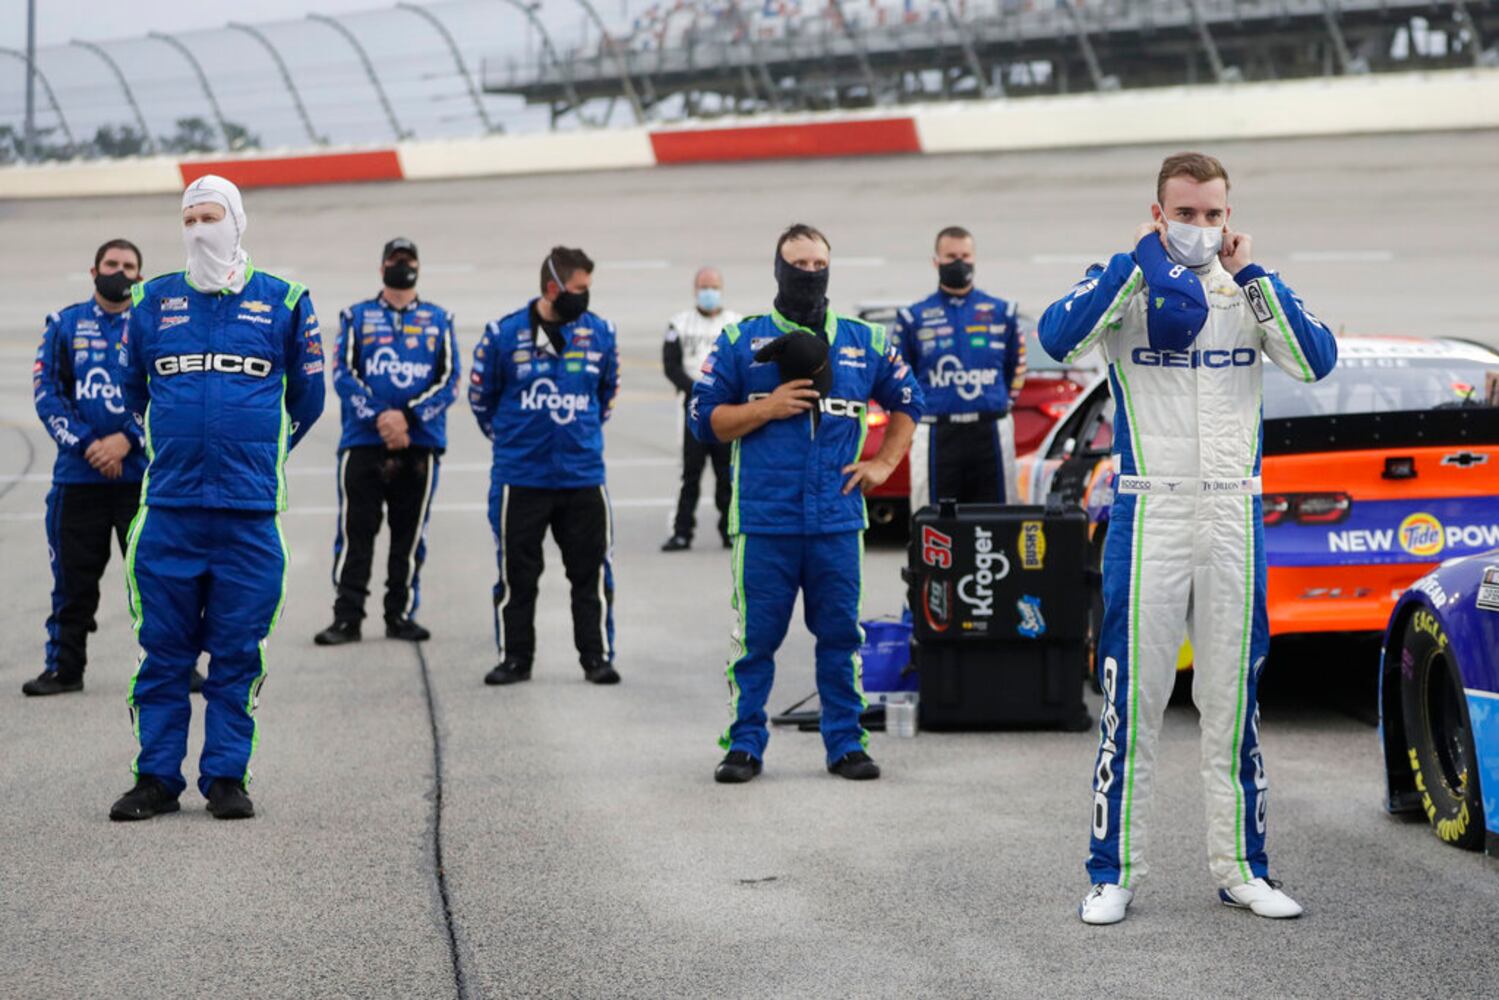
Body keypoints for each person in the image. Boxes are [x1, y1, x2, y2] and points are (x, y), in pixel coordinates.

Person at [1037, 152, 1337, 924]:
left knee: (1231, 704)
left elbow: (1315, 362)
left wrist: (1255, 280)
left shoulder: (1248, 291)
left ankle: (1242, 868)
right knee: (1131, 703)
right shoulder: (1124, 283)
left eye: (1211, 214)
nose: (1198, 228)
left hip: (1234, 514)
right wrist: (1132, 268)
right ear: (1157, 211)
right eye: (1184, 213)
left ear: (1227, 217)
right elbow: (1058, 341)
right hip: (1150, 514)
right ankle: (1111, 873)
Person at [111, 174, 325, 822]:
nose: (200, 228)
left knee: (238, 655)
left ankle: (226, 776)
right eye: (190, 218)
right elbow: (129, 391)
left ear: (237, 221)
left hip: (251, 515)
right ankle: (155, 778)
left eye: (212, 216)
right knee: (163, 655)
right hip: (169, 512)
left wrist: (259, 452)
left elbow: (309, 401)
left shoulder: (285, 299)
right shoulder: (150, 301)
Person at [690, 223, 923, 784]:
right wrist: (765, 409)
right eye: (799, 265)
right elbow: (703, 421)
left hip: (837, 520)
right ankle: (743, 745)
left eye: (820, 266)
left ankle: (845, 744)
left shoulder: (864, 340)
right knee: (755, 644)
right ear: (778, 269)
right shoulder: (740, 341)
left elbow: (910, 401)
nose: (810, 275)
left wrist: (884, 464)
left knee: (842, 638)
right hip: (764, 522)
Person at [470, 246, 622, 687]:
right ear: (553, 287)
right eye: (579, 289)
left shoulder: (601, 333)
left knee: (590, 574)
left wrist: (579, 435)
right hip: (521, 479)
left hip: (583, 477)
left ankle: (595, 657)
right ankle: (516, 658)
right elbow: (481, 399)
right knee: (517, 575)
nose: (585, 297)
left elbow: (606, 394)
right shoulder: (503, 333)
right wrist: (515, 442)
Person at [314, 237, 459, 646]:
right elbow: (342, 374)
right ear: (382, 268)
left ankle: (400, 614)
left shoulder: (439, 319)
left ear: (418, 266)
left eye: (409, 259)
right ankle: (347, 618)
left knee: (409, 535)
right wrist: (381, 416)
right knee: (355, 533)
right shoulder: (356, 316)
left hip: (420, 442)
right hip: (363, 441)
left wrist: (407, 417)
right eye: (395, 260)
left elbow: (450, 381)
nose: (402, 265)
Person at [24, 239, 146, 697]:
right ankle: (64, 668)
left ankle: (175, 667)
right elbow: (47, 394)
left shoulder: (153, 326)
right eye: (111, 264)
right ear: (93, 271)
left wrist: (127, 440)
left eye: (129, 266)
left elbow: (169, 396)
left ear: (140, 275)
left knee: (155, 582)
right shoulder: (64, 324)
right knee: (73, 583)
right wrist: (90, 444)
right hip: (78, 478)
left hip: (140, 479)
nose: (119, 271)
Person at [894, 226, 1025, 506]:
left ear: (974, 258)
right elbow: (901, 376)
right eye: (950, 256)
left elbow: (1017, 367)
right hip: (936, 431)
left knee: (999, 520)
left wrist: (999, 403)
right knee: (931, 522)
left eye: (965, 255)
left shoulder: (1003, 312)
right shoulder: (912, 317)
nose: (958, 262)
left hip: (991, 429)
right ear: (936, 261)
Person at [661, 267, 741, 552]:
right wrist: (696, 390)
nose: (709, 292)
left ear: (721, 289)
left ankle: (729, 530)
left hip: (725, 406)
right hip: (694, 405)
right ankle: (682, 532)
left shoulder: (735, 323)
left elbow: (743, 364)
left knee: (726, 473)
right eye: (704, 286)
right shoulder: (680, 323)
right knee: (690, 473)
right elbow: (671, 366)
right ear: (696, 290)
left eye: (714, 286)